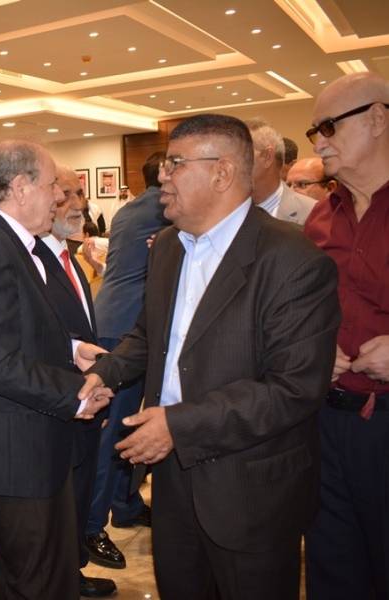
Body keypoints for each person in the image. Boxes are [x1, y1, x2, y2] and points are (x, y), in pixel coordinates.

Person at [86, 114, 339, 600]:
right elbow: (150, 336)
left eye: (176, 164)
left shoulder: (293, 259)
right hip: (173, 477)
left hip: (251, 486)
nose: (162, 176)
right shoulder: (168, 247)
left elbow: (294, 388)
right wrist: (105, 373)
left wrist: (178, 425)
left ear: (222, 173)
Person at [0, 139, 111, 599]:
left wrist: (72, 349)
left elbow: (17, 332)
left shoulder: (10, 244)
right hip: (14, 453)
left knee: (38, 579)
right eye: (52, 185)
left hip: (27, 446)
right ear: (20, 187)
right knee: (35, 584)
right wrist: (74, 394)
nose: (59, 196)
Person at [303, 72, 389, 600]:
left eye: (329, 127)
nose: (319, 142)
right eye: (315, 131)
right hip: (325, 421)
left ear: (378, 119)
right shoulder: (320, 216)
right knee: (333, 567)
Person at [33, 165, 117, 598]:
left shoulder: (70, 257)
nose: (76, 204)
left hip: (84, 402)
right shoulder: (32, 259)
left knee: (79, 492)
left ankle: (73, 570)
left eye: (78, 194)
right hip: (57, 404)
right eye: (64, 193)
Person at [83, 151, 168, 570]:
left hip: (115, 318)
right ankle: (91, 527)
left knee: (130, 423)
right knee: (114, 429)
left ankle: (126, 503)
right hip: (127, 331)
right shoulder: (164, 209)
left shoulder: (130, 208)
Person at [246, 118, 315, 225]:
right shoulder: (224, 213)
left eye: (240, 154)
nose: (228, 165)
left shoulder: (312, 213)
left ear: (267, 157)